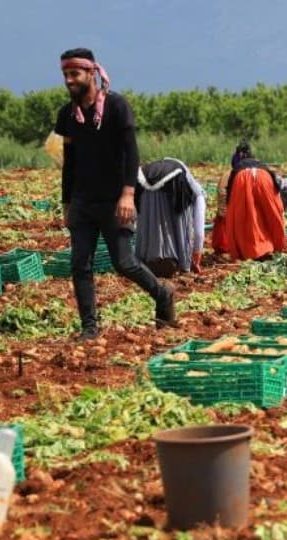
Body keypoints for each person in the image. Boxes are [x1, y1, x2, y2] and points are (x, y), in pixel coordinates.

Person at [56, 47, 175, 339]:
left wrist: (127, 194)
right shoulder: (67, 115)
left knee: (124, 263)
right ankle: (90, 328)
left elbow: (131, 153)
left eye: (74, 74)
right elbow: (69, 162)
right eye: (65, 75)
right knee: (79, 264)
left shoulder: (117, 106)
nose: (69, 80)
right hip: (83, 200)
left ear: (91, 73)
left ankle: (162, 293)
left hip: (114, 199)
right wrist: (67, 202)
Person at [212, 147, 287, 261]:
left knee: (243, 217)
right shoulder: (263, 165)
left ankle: (248, 251)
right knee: (272, 214)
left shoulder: (230, 173)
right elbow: (278, 187)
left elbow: (223, 205)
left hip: (242, 180)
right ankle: (277, 247)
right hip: (264, 178)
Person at [135, 158, 206, 276]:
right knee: (182, 219)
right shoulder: (198, 194)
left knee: (148, 215)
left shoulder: (184, 175)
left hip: (143, 179)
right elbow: (199, 232)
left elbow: (137, 218)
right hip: (175, 178)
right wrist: (196, 256)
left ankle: (145, 258)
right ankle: (183, 266)